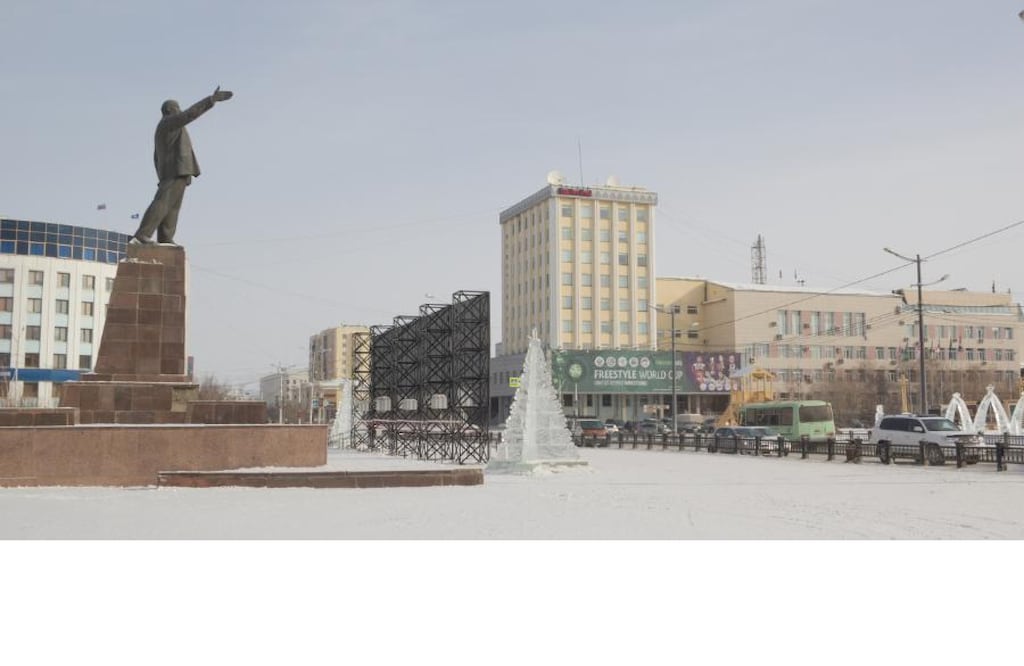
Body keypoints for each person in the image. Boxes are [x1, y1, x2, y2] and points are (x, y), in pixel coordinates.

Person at [132, 86, 233, 245]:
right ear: (170, 110)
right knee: (163, 202)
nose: (179, 110)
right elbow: (190, 114)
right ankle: (142, 234)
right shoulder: (168, 122)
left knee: (172, 207)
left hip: (177, 171)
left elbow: (156, 158)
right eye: (177, 108)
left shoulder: (166, 127)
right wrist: (210, 100)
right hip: (174, 171)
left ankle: (165, 237)